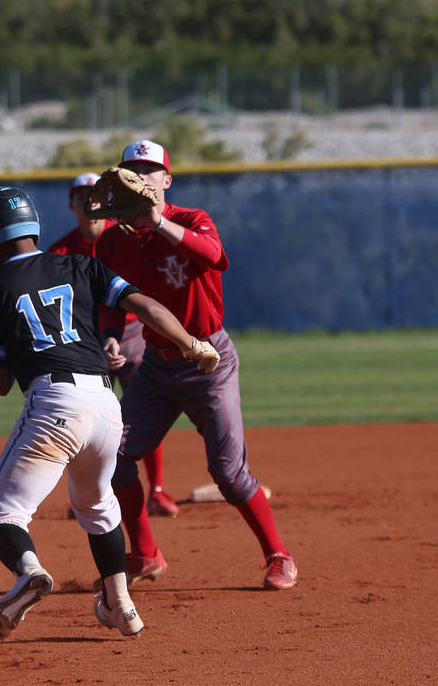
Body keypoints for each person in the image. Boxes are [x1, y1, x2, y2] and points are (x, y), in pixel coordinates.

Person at [0, 186, 220, 643]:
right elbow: (145, 306)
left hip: (54, 405)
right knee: (100, 509)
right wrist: (192, 344)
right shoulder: (79, 264)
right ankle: (121, 606)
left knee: (2, 520)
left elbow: (1, 384)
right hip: (106, 406)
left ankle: (29, 573)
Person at [94, 139, 299, 591]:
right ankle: (145, 554)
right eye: (132, 169)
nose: (140, 176)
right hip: (155, 367)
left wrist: (159, 222)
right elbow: (110, 303)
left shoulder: (192, 220)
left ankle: (277, 555)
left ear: (167, 180)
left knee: (228, 473)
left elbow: (214, 258)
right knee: (114, 456)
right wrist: (110, 337)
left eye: (149, 170)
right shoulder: (112, 240)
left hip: (210, 362)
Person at [49, 172, 178, 518]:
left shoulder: (125, 239)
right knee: (89, 420)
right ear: (71, 204)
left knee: (141, 416)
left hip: (134, 332)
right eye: (81, 196)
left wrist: (117, 337)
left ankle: (159, 491)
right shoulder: (60, 252)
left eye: (95, 195)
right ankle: (91, 495)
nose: (89, 201)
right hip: (86, 339)